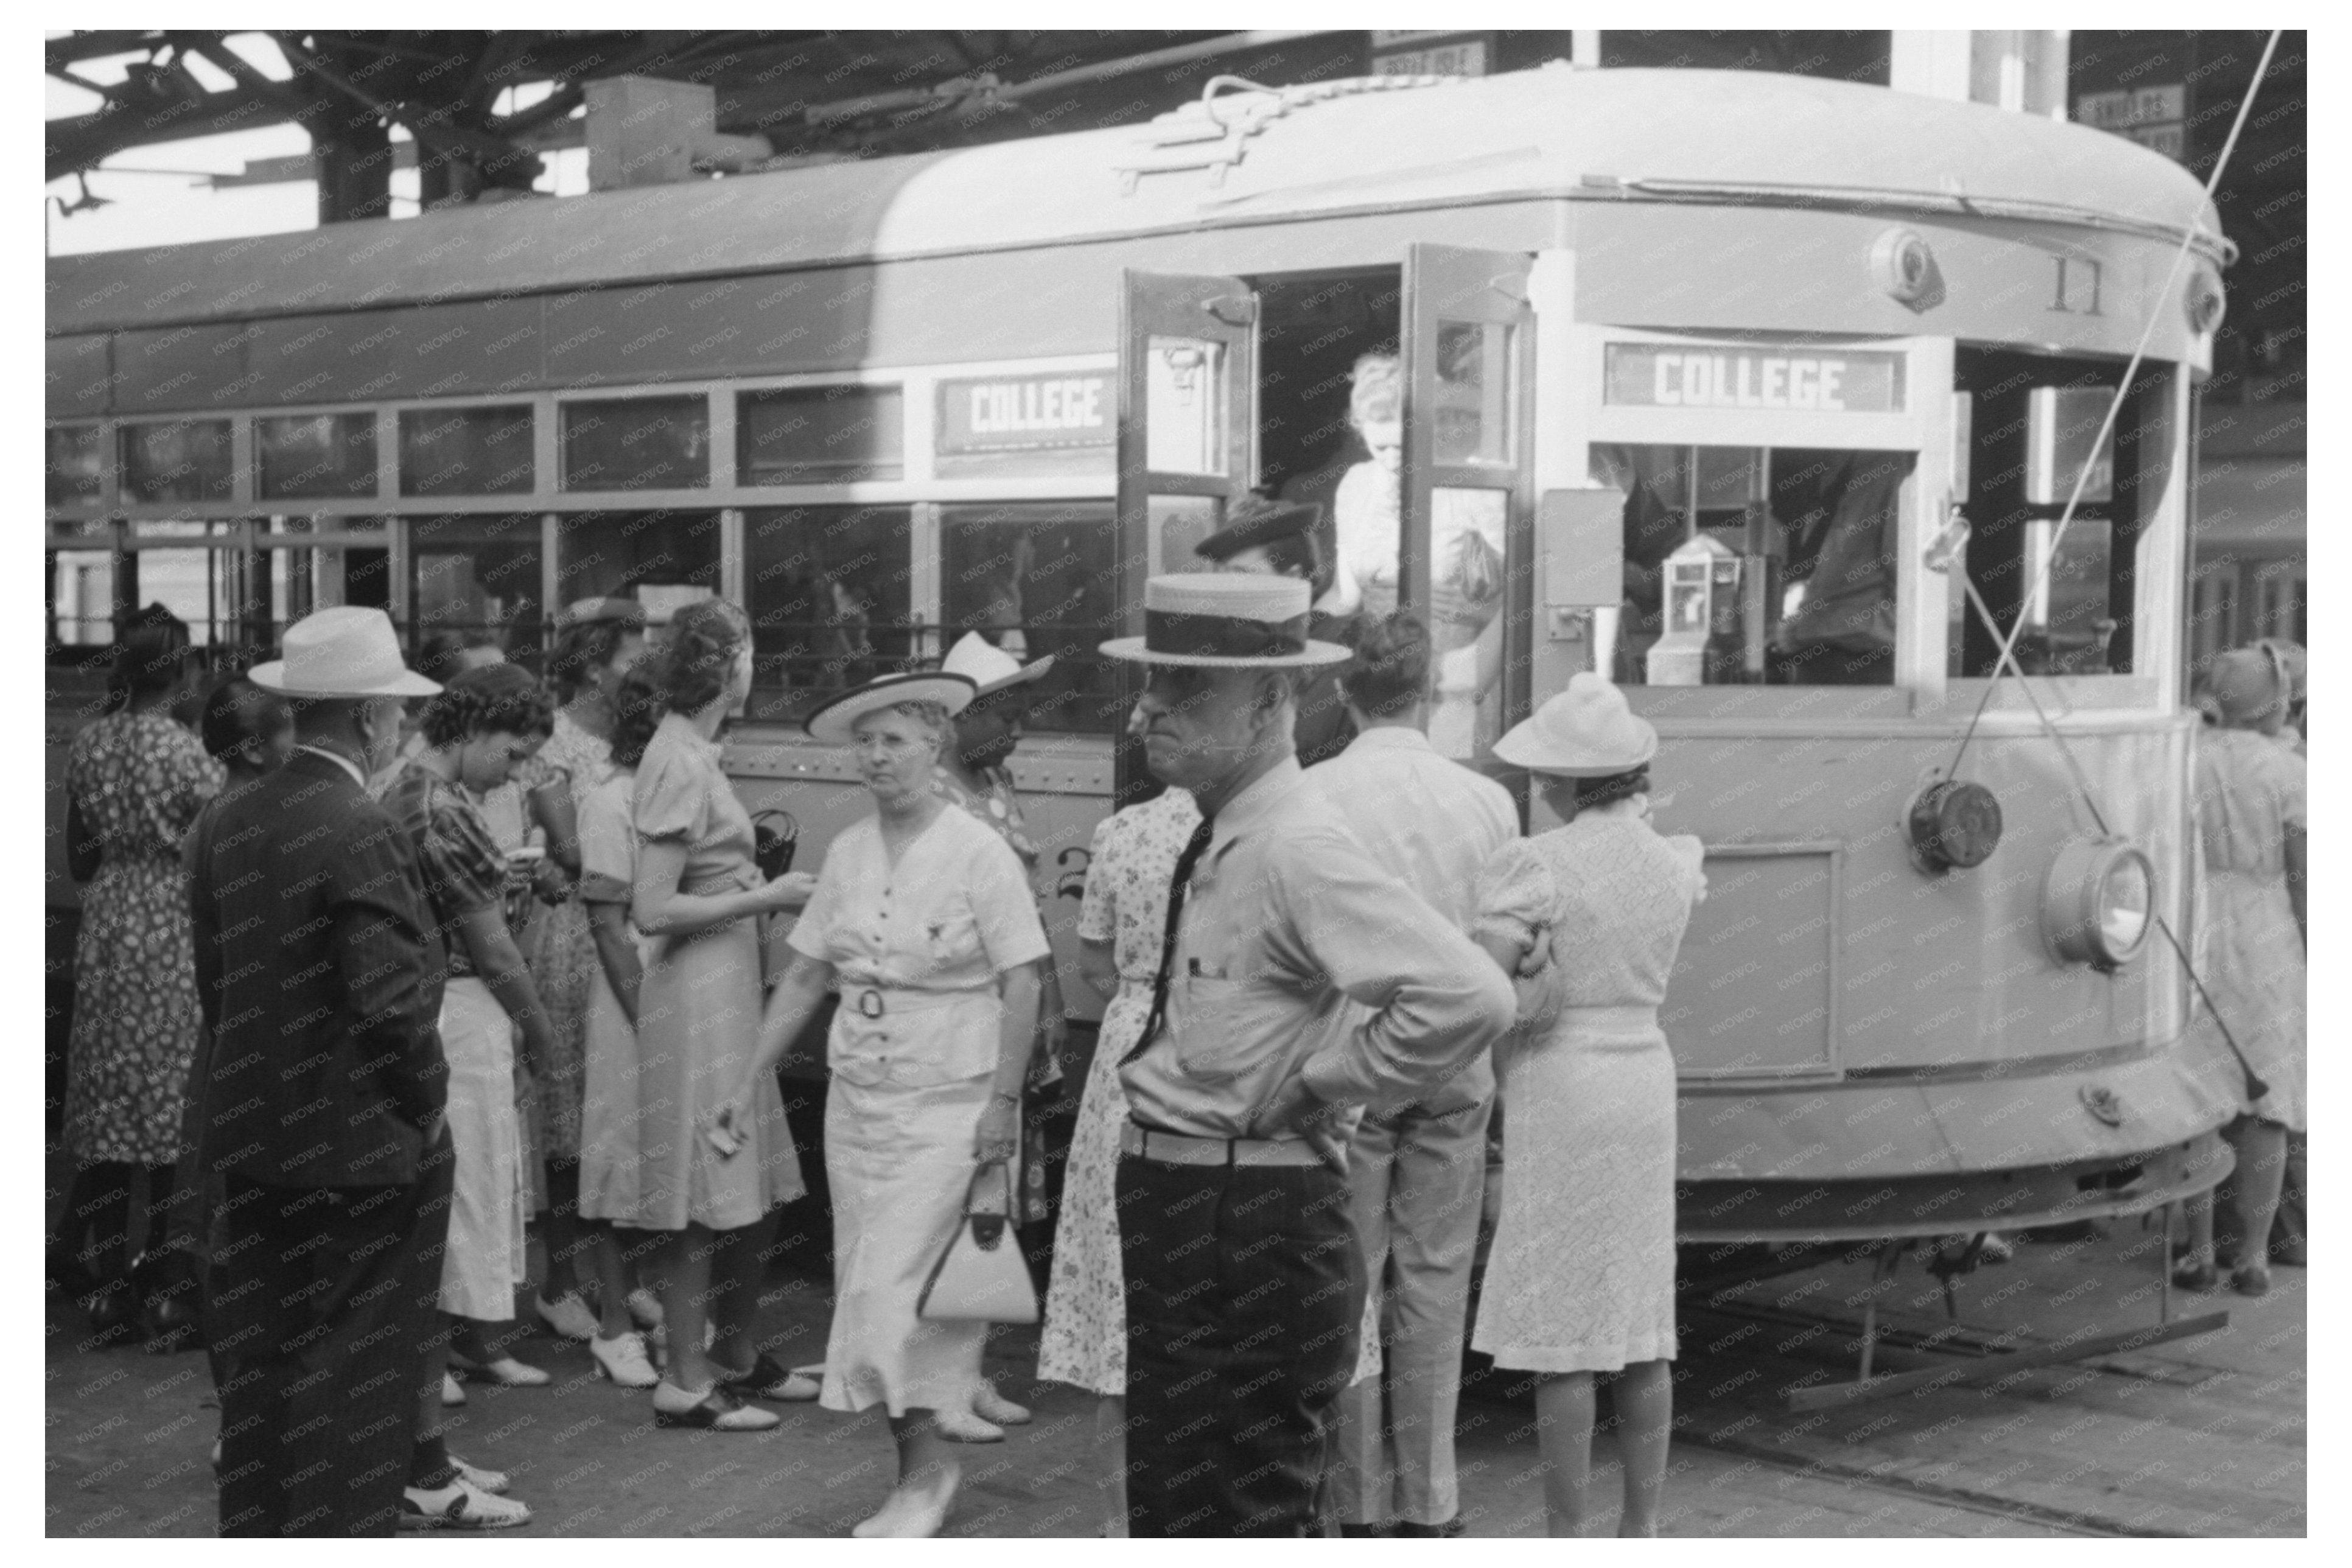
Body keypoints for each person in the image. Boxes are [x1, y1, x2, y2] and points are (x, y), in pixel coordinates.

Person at [1097, 572, 1516, 1536]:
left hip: (1248, 1215)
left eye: (1187, 689)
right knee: (1178, 1504)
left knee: (1244, 1508)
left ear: (1274, 702)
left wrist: (1326, 1082)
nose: (1148, 709)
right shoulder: (1231, 832)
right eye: (1155, 683)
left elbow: (1470, 995)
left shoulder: (1294, 844)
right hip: (1191, 1203)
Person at [724, 667, 1051, 1537]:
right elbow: (804, 974)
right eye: (866, 741)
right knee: (874, 1283)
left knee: (900, 1291)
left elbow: (1024, 981)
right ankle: (921, 1470)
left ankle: (925, 1479)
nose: (877, 756)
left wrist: (1003, 1106)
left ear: (935, 744)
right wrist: (746, 1079)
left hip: (950, 1102)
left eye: (895, 740)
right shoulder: (850, 852)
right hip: (859, 1103)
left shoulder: (977, 850)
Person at [185, 607, 451, 1535]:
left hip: (253, 1139)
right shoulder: (361, 827)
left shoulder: (226, 821)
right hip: (360, 1153)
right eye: (399, 716)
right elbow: (394, 1008)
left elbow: (219, 989)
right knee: (353, 1383)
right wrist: (425, 1112)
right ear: (375, 717)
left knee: (262, 1366)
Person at [1468, 673, 1707, 1538]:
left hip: (1562, 1082)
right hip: (1645, 1074)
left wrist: (1528, 969)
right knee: (1644, 1318)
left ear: (1565, 783)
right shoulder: (1674, 858)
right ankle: (1640, 1530)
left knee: (1564, 1328)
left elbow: (1483, 978)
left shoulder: (1539, 864)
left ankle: (1565, 1535)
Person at [1304, 613, 1519, 1538]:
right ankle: (1431, 1505)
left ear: (1344, 692)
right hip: (1455, 1065)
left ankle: (1354, 1502)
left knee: (1349, 1287)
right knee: (1437, 1282)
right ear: (1430, 689)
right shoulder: (1485, 802)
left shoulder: (1313, 797)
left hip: (1351, 1065)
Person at [626, 598, 816, 1429]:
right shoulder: (676, 758)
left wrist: (746, 892)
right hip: (696, 993)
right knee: (705, 1181)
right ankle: (686, 1377)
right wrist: (767, 893)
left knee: (748, 1179)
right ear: (724, 665)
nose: (755, 667)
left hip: (726, 983)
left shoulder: (695, 751)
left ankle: (733, 1352)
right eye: (748, 652)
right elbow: (652, 907)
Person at [379, 663, 560, 1472]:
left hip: (438, 1006)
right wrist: (541, 1034)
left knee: (459, 1199)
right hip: (462, 1013)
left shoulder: (406, 789)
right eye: (514, 753)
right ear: (476, 728)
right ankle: (435, 1393)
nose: (516, 771)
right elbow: (491, 947)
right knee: (467, 1197)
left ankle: (446, 1373)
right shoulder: (442, 806)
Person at [1037, 780, 1202, 1535]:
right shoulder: (1266, 822)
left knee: (1115, 1288)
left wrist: (1137, 995)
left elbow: (1093, 957)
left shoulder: (1123, 830)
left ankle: (1118, 1525)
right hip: (1218, 1044)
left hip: (1129, 1047)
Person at [57, 604, 221, 1348]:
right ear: (180, 670)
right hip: (169, 925)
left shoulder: (89, 745)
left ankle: (106, 1272)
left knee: (114, 1104)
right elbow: (222, 840)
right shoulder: (185, 752)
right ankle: (161, 1272)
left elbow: (79, 858)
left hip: (109, 924)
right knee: (170, 1107)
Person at [521, 598, 662, 1353]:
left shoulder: (639, 735)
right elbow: (573, 849)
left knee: (626, 1108)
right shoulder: (556, 739)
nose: (640, 669)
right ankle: (559, 1280)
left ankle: (622, 1272)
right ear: (589, 664)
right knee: (572, 1114)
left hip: (634, 920)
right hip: (578, 933)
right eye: (628, 657)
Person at [173, 678, 293, 1402]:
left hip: (226, 1040)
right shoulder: (249, 823)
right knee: (237, 1230)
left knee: (227, 1229)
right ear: (252, 748)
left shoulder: (214, 819)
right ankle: (247, 1410)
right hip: (246, 1043)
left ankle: (242, 1411)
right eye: (286, 732)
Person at [2174, 645, 2306, 1298]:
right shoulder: (2288, 770)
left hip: (2194, 925)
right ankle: (2252, 1258)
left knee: (2197, 1101)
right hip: (2266, 931)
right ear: (2272, 702)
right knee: (2266, 1104)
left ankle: (2198, 1253)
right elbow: (2306, 872)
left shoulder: (2183, 759)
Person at [933, 632, 1069, 1238]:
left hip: (1019, 990)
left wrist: (1050, 998)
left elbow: (1027, 905)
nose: (1019, 729)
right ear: (961, 716)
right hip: (964, 1007)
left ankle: (987, 1280)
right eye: (1007, 716)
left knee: (1006, 1150)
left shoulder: (998, 780)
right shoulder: (930, 794)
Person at [573, 657, 668, 1388]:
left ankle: (649, 1300)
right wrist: (651, 1020)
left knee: (664, 1154)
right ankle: (611, 1326)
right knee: (615, 1153)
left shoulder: (681, 786)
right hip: (631, 994)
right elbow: (608, 928)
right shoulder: (609, 799)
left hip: (683, 989)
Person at [1195, 494, 1357, 766]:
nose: (1226, 589)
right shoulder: (1222, 652)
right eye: (1221, 576)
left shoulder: (1337, 653)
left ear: (1292, 578)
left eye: (1242, 575)